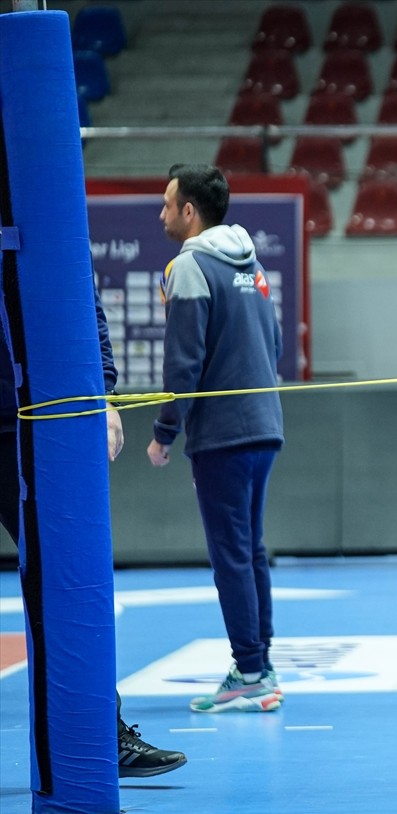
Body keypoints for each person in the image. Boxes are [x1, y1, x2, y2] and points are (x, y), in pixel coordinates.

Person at [1, 287, 188, 777]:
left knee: (66, 581)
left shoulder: (35, 215)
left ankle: (103, 734)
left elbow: (84, 304)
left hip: (28, 422)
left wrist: (104, 395)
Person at [147, 163, 285, 714]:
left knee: (231, 554)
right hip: (265, 426)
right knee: (249, 550)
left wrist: (163, 432)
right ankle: (260, 663)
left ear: (189, 211)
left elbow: (183, 362)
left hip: (223, 436)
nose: (160, 215)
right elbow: (271, 343)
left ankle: (250, 669)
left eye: (166, 204)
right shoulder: (252, 264)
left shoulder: (188, 267)